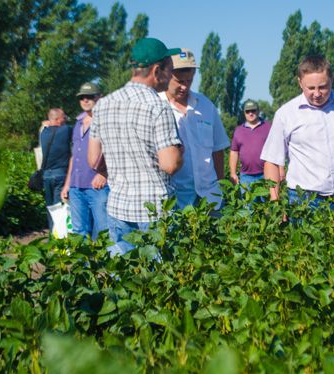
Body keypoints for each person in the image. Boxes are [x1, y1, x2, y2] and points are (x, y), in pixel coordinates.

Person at [88, 37, 184, 255]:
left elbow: (93, 160)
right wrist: (179, 152)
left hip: (118, 207)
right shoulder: (157, 108)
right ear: (157, 70)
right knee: (159, 281)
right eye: (170, 69)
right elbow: (170, 165)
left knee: (124, 279)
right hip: (154, 212)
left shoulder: (103, 105)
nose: (171, 75)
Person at [260, 55, 334, 210]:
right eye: (311, 88)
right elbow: (272, 160)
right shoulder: (286, 114)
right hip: (304, 202)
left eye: (322, 87)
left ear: (332, 80)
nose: (317, 94)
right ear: (300, 83)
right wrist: (275, 201)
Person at [157, 48, 230, 211]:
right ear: (167, 75)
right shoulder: (156, 107)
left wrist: (220, 186)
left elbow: (218, 150)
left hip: (209, 197)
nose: (185, 86)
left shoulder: (205, 105)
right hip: (173, 198)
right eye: (180, 81)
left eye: (189, 81)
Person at [60, 82, 109, 240]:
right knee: (79, 232)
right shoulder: (78, 123)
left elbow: (115, 151)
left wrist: (104, 173)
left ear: (99, 98)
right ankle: (83, 265)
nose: (85, 100)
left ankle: (105, 264)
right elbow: (74, 156)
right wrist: (68, 184)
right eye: (82, 97)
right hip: (76, 187)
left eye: (90, 97)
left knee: (103, 232)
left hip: (98, 187)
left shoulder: (107, 121)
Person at [229, 100, 284, 197]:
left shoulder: (268, 127)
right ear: (244, 113)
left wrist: (281, 169)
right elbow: (234, 152)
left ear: (258, 111)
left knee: (267, 206)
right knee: (248, 208)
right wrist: (233, 173)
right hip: (246, 176)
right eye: (247, 111)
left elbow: (277, 148)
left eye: (253, 111)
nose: (250, 113)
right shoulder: (239, 131)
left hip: (266, 175)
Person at [40, 108, 73, 231]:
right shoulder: (65, 130)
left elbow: (43, 127)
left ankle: (52, 237)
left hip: (46, 176)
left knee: (51, 208)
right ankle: (61, 237)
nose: (65, 120)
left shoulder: (43, 133)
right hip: (61, 175)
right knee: (61, 208)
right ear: (58, 119)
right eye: (64, 117)